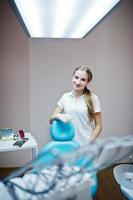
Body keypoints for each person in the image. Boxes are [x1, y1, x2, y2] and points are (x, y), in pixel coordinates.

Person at [49, 65, 102, 145]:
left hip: (88, 146)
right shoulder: (65, 97)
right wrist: (57, 116)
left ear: (87, 82)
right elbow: (51, 120)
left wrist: (89, 142)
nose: (78, 82)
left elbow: (99, 126)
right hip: (70, 146)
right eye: (76, 77)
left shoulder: (93, 98)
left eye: (83, 80)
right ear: (72, 77)